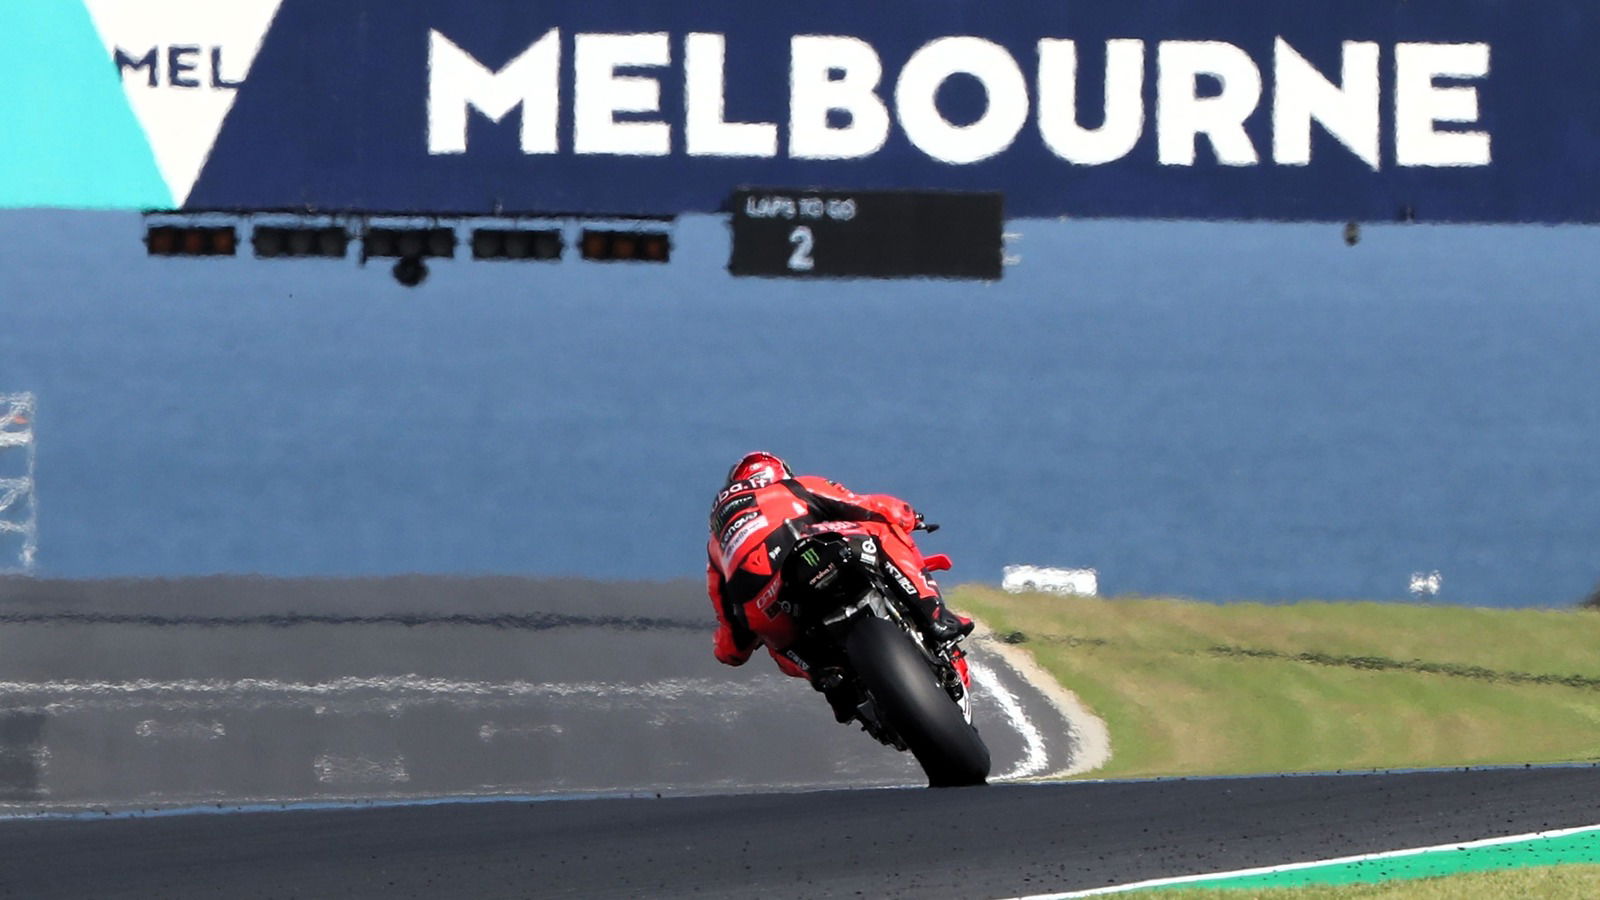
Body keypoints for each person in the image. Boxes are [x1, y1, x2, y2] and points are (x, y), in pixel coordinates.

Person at [705, 451, 973, 691]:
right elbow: (869, 507)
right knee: (883, 527)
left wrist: (729, 651)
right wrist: (910, 516)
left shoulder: (716, 542)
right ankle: (933, 614)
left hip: (764, 602)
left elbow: (730, 632)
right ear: (779, 472)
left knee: (776, 644)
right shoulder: (792, 487)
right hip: (825, 554)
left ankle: (830, 682)